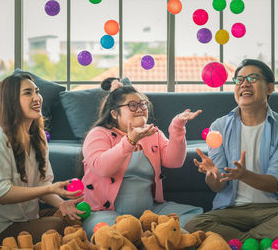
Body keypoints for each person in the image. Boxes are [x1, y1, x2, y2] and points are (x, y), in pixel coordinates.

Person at [184, 59, 278, 249]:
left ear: (270, 88)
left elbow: (274, 184)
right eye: (239, 80)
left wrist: (244, 175)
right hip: (232, 212)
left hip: (274, 210)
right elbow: (217, 188)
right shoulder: (219, 127)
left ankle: (244, 241)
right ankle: (263, 240)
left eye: (253, 78)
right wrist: (212, 175)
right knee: (193, 225)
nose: (244, 84)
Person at [81, 77, 203, 237]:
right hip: (106, 213)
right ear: (114, 114)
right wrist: (130, 141)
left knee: (196, 217)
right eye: (132, 105)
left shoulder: (153, 133)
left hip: (151, 211)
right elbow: (101, 168)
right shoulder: (98, 134)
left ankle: (149, 232)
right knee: (111, 234)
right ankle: (154, 235)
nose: (140, 108)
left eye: (142, 104)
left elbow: (174, 161)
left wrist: (177, 128)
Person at [0, 73, 84, 246]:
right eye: (28, 93)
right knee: (57, 226)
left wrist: (62, 205)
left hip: (28, 219)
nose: (37, 98)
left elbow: (43, 186)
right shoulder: (0, 138)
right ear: (11, 101)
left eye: (37, 91)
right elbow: (2, 193)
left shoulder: (38, 137)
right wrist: (50, 189)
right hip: (1, 228)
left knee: (73, 219)